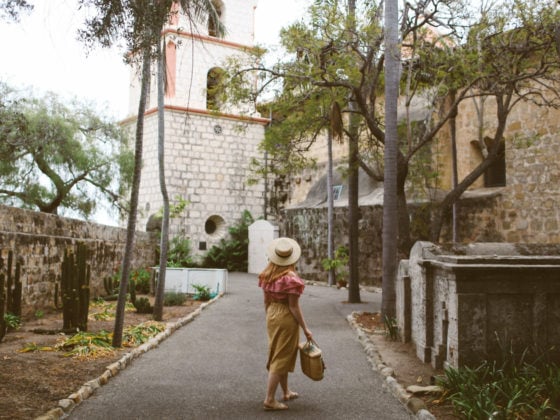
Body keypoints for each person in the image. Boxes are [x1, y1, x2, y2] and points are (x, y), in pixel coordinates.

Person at [258, 237, 313, 411]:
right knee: (281, 356)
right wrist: (306, 328)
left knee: (279, 351)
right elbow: (293, 307)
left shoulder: (268, 274)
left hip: (272, 314)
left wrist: (271, 317)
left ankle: (286, 391)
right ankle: (269, 399)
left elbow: (266, 302)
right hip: (285, 316)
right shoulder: (290, 278)